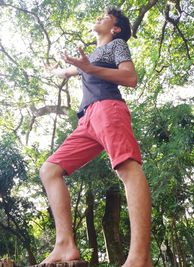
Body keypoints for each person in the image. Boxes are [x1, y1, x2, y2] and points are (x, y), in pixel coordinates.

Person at [40, 7, 153, 267]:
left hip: (108, 109)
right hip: (87, 120)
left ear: (115, 28)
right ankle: (65, 245)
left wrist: (89, 67)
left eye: (105, 17)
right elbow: (70, 72)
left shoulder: (117, 45)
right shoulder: (90, 57)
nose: (98, 17)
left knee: (127, 168)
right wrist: (56, 70)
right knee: (49, 170)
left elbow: (130, 77)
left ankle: (140, 258)